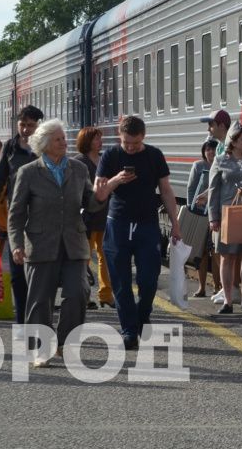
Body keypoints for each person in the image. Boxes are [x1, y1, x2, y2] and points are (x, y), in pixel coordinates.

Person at [7, 119, 115, 367]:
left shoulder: (78, 169)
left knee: (79, 293)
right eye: (58, 139)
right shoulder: (28, 172)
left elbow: (90, 203)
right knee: (40, 301)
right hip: (40, 245)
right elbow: (16, 214)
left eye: (64, 138)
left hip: (74, 243)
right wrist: (16, 244)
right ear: (44, 144)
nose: (64, 143)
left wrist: (101, 196)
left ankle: (65, 342)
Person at [96, 115, 179, 349]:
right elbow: (99, 194)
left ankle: (142, 316)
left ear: (143, 136)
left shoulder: (154, 155)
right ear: (119, 136)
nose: (131, 148)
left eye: (135, 143)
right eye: (126, 143)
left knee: (149, 279)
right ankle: (129, 331)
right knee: (121, 282)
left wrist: (175, 223)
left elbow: (166, 190)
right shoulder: (110, 156)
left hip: (147, 225)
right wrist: (116, 180)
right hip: (118, 224)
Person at [0, 105, 43, 325]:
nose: (26, 129)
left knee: (39, 274)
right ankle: (22, 323)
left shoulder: (46, 146)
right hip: (17, 216)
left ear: (39, 125)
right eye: (22, 124)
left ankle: (38, 321)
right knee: (18, 274)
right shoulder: (10, 147)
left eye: (30, 125)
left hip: (43, 216)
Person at [208, 123, 242, 314]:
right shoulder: (220, 160)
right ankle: (228, 301)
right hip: (226, 216)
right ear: (234, 142)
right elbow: (213, 190)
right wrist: (213, 217)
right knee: (227, 257)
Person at [73, 126, 114, 309]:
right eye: (96, 139)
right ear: (87, 141)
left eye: (100, 138)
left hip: (105, 216)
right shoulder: (78, 162)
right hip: (87, 219)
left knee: (106, 257)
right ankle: (85, 295)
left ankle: (106, 295)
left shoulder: (105, 160)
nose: (100, 142)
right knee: (84, 259)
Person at [188, 138, 219, 297]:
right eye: (208, 149)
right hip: (201, 214)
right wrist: (190, 208)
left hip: (216, 214)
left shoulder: (221, 165)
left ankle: (217, 287)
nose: (211, 152)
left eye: (213, 149)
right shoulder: (198, 166)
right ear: (203, 152)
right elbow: (191, 187)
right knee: (202, 252)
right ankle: (201, 287)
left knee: (216, 252)